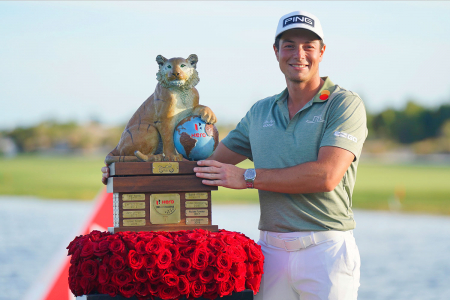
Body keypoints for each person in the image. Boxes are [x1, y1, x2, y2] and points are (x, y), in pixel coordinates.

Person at [102, 10, 367, 300]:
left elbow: (326, 176)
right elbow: (203, 164)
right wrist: (126, 168)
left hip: (325, 249)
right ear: (276, 51)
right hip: (271, 250)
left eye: (308, 46)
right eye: (289, 45)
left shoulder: (344, 104)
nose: (298, 54)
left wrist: (247, 177)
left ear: (322, 52)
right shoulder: (261, 111)